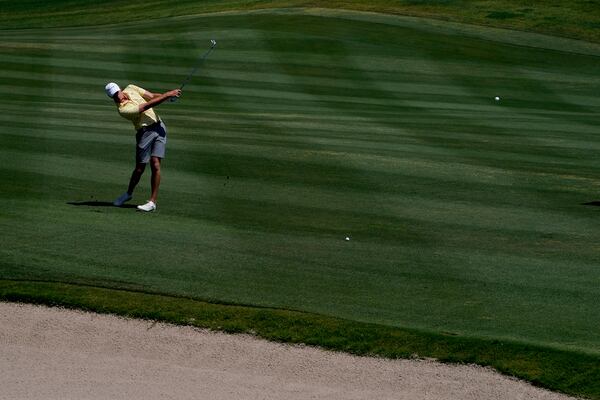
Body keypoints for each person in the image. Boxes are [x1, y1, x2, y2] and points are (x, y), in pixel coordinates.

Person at [105, 82, 181, 212]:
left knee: (156, 164)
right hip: (145, 133)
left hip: (159, 126)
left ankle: (152, 202)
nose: (118, 97)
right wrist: (168, 94)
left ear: (120, 89)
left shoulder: (131, 88)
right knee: (139, 168)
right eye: (114, 97)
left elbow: (151, 96)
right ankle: (128, 193)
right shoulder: (123, 110)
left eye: (117, 93)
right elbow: (147, 105)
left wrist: (167, 97)